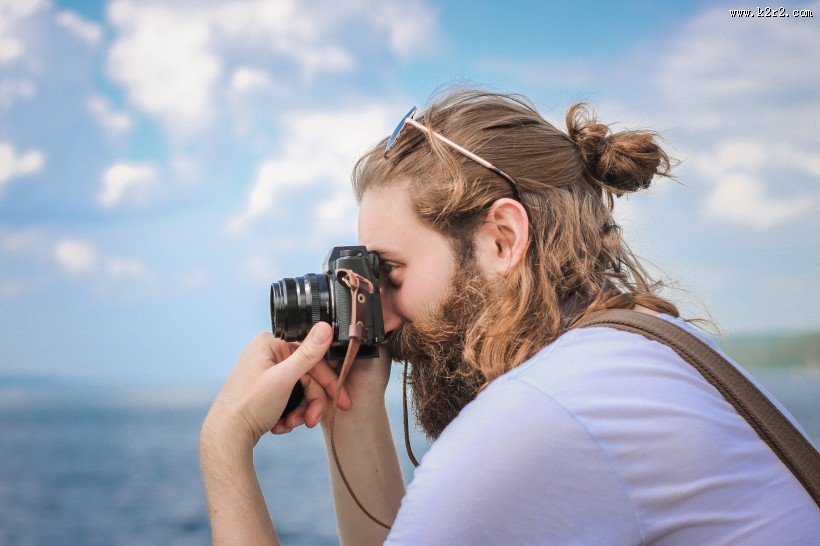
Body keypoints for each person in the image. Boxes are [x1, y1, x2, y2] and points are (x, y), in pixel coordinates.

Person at [200, 88, 819, 545]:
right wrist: (356, 411)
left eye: (389, 273)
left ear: (501, 238)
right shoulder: (640, 350)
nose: (380, 318)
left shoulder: (542, 411)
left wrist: (223, 448)